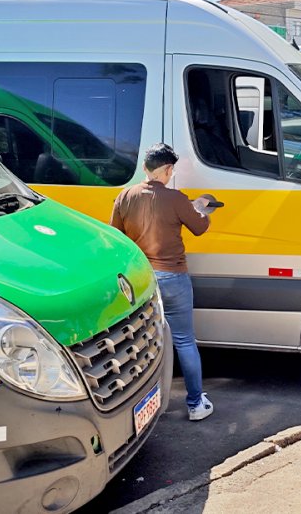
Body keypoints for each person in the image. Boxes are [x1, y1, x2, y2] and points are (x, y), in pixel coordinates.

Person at [110, 143, 215, 419]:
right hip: (173, 278)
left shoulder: (124, 197)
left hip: (140, 281)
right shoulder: (177, 199)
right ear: (167, 170)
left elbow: (117, 240)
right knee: (183, 340)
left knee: (140, 342)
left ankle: (137, 408)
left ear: (145, 168)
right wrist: (201, 209)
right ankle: (195, 404)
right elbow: (200, 227)